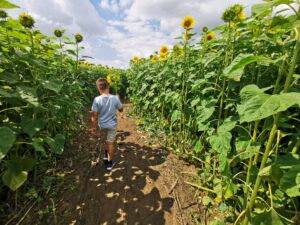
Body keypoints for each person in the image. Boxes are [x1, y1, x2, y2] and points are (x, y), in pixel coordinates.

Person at [90, 77, 123, 171]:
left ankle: (105, 155)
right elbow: (121, 110)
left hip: (102, 125)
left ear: (98, 88)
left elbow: (94, 115)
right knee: (110, 143)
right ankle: (109, 163)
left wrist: (93, 127)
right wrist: (118, 99)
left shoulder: (96, 99)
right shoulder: (115, 98)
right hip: (112, 125)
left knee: (104, 140)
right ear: (108, 86)